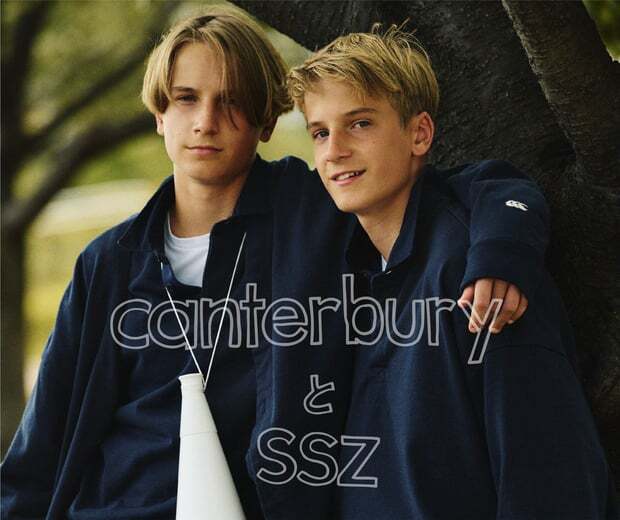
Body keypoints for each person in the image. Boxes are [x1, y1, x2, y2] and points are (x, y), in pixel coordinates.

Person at [2, 7, 553, 519]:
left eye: (231, 101)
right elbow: (40, 447)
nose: (206, 121)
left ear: (265, 122)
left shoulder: (320, 211)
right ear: (159, 116)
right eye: (186, 99)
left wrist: (501, 256)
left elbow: (482, 188)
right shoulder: (109, 262)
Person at [287, 24, 617, 518]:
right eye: (320, 132)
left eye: (360, 124)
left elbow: (550, 477)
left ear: (419, 133)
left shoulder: (478, 273)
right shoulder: (351, 274)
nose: (334, 150)